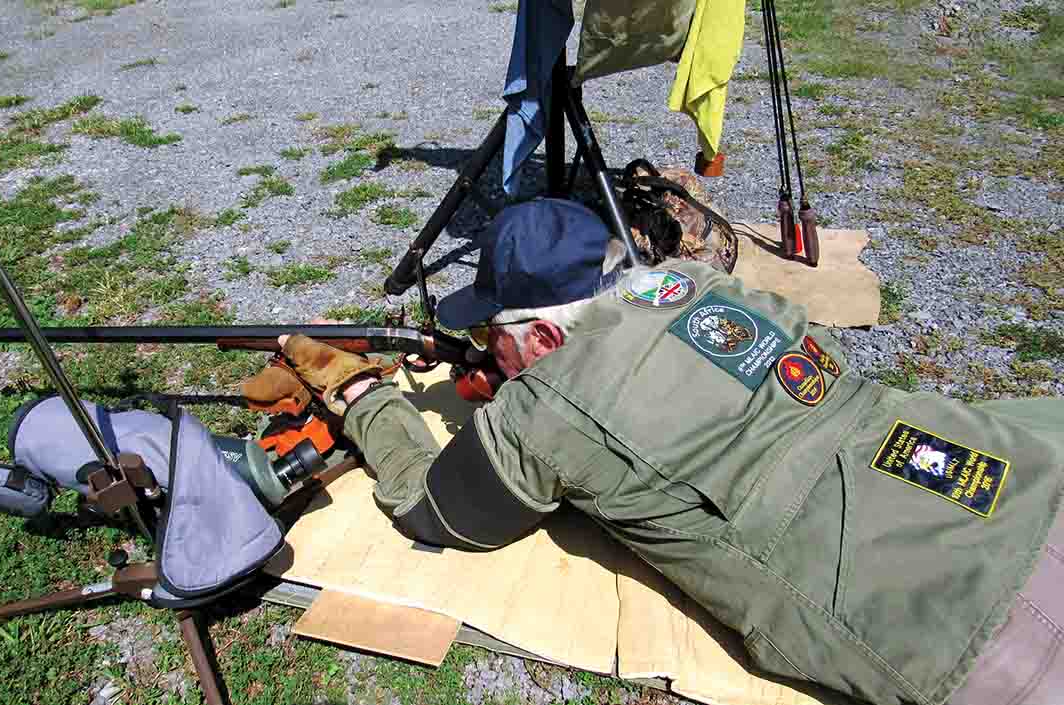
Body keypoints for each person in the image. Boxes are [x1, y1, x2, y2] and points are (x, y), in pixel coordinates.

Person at [256, 198, 1064, 705]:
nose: (484, 352)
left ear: (541, 335)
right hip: (1012, 468)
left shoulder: (547, 405)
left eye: (489, 337)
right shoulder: (693, 281)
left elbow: (436, 509)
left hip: (963, 621)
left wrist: (366, 400)